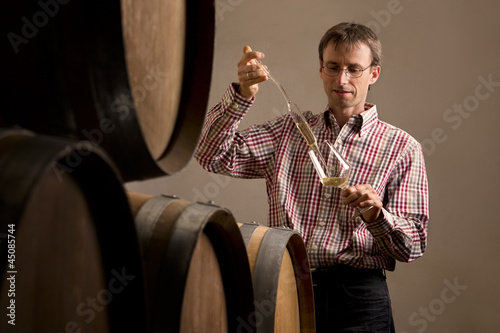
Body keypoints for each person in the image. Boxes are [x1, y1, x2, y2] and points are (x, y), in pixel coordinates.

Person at [195, 22, 429, 332]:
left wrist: (377, 215)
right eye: (333, 67)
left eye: (354, 69)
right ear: (320, 69)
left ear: (374, 74)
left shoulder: (402, 147)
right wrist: (242, 96)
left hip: (359, 298)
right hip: (284, 287)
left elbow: (412, 246)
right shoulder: (287, 131)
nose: (341, 79)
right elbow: (211, 155)